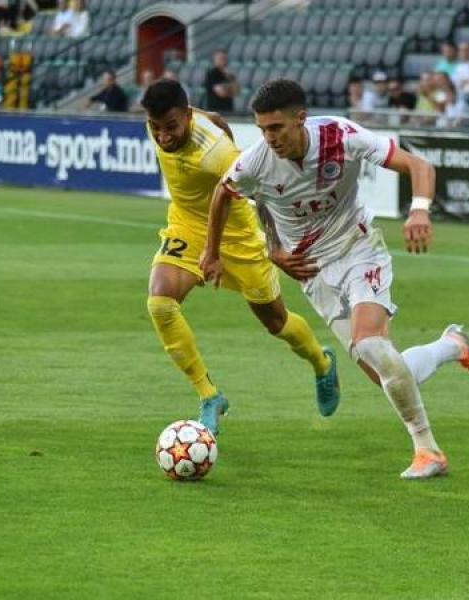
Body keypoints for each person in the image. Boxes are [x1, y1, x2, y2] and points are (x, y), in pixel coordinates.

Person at [201, 79, 469, 479]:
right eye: (263, 129)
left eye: (276, 128)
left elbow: (418, 165)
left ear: (300, 119)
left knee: (372, 345)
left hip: (358, 249)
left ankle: (428, 451)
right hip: (313, 272)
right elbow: (227, 194)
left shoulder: (340, 136)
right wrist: (216, 252)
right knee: (385, 373)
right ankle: (451, 345)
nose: (269, 138)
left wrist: (420, 211)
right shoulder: (256, 161)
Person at [136, 79, 340, 434]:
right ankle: (210, 395)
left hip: (239, 234)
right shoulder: (169, 119)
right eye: (156, 128)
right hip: (187, 224)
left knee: (275, 322)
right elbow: (211, 114)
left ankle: (322, 363)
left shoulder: (218, 154)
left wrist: (275, 248)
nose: (164, 137)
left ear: (185, 116)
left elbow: (260, 194)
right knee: (160, 303)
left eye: (171, 127)